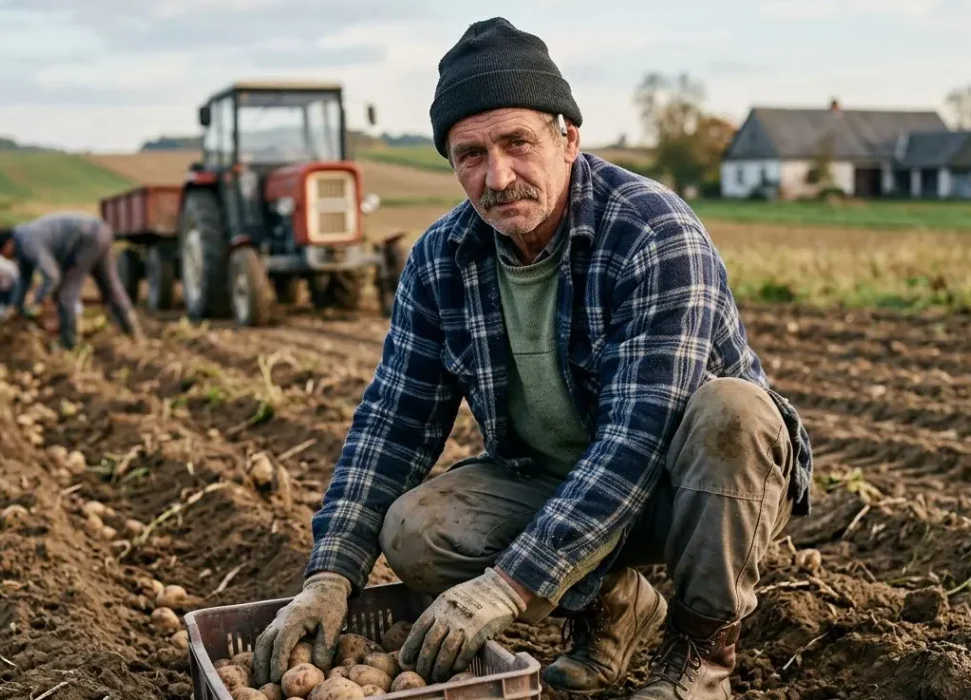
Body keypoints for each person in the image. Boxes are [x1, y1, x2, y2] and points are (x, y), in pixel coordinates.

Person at [250, 17, 813, 700]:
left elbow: (639, 438)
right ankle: (613, 612)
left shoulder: (652, 231)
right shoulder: (441, 259)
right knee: (417, 529)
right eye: (470, 155)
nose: (498, 176)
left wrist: (510, 584)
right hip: (557, 478)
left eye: (517, 142)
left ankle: (700, 657)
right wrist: (330, 576)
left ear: (567, 136)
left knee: (735, 411)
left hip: (692, 487)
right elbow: (393, 423)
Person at [0, 212, 141, 349]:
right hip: (101, 231)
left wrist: (36, 300)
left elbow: (51, 276)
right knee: (111, 288)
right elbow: (24, 278)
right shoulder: (22, 240)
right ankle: (133, 333)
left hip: (86, 240)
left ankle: (70, 344)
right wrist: (16, 305)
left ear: (7, 245)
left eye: (3, 254)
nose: (6, 258)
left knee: (66, 295)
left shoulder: (27, 242)